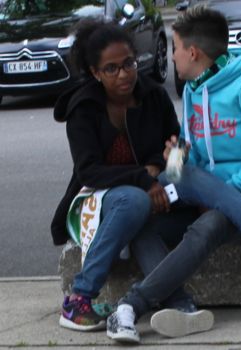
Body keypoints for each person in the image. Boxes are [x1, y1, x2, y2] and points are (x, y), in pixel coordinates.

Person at [105, 5, 241, 344]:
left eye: (175, 48)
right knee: (142, 223)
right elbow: (194, 155)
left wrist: (223, 190)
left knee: (209, 222)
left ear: (193, 52)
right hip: (207, 193)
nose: (172, 58)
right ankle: (182, 306)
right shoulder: (194, 91)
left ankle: (130, 306)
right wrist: (177, 160)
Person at [50, 18, 194, 332]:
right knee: (133, 202)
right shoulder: (83, 108)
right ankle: (80, 300)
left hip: (152, 188)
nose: (124, 74)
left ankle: (178, 305)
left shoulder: (153, 95)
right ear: (95, 73)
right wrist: (143, 179)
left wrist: (164, 163)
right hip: (96, 196)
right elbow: (89, 170)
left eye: (128, 63)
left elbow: (178, 142)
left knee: (185, 193)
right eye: (112, 69)